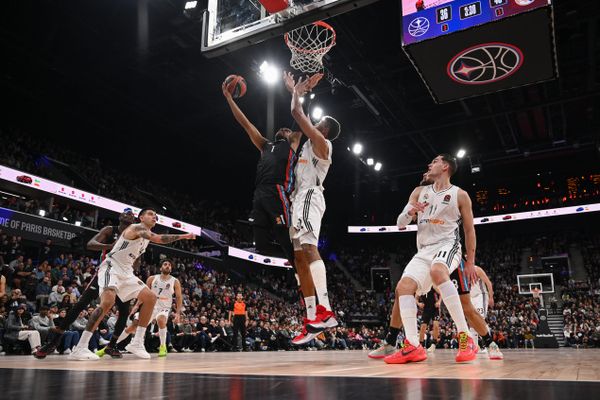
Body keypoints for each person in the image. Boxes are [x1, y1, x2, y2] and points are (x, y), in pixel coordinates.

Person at [384, 154, 478, 364]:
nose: (429, 164)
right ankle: (413, 345)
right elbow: (400, 223)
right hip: (424, 249)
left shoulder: (460, 195)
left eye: (434, 161)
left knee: (437, 271)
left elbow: (469, 230)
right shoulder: (419, 192)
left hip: (448, 244)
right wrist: (410, 210)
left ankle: (466, 336)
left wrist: (470, 262)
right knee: (403, 287)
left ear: (445, 166)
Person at [70, 207, 195, 360]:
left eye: (156, 215)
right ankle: (80, 347)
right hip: (112, 265)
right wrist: (184, 236)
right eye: (150, 214)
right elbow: (159, 239)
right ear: (141, 218)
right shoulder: (137, 228)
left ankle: (136, 343)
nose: (154, 217)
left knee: (150, 297)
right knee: (107, 302)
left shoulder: (145, 238)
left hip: (126, 271)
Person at [283, 72, 342, 345]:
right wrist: (297, 91)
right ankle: (311, 320)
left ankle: (326, 310)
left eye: (317, 122)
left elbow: (297, 113)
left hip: (309, 197)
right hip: (298, 201)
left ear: (324, 130)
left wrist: (297, 90)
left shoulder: (322, 144)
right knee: (298, 258)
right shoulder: (308, 146)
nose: (313, 122)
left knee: (309, 248)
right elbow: (299, 112)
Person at [34, 209, 136, 359]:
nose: (129, 215)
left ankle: (112, 345)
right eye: (126, 213)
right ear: (120, 217)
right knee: (80, 304)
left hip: (123, 276)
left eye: (132, 215)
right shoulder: (109, 230)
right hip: (105, 272)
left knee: (124, 311)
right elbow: (90, 244)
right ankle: (54, 341)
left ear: (134, 221)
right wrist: (111, 245)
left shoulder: (135, 236)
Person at [222, 78, 302, 267]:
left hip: (277, 191)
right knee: (261, 246)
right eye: (282, 128)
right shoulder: (265, 145)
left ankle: (299, 268)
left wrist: (295, 93)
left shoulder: (292, 144)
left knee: (284, 236)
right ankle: (292, 261)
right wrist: (229, 99)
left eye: (288, 129)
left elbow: (299, 116)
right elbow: (245, 123)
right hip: (259, 193)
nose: (285, 128)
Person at [115, 259, 182, 357]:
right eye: (165, 264)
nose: (167, 266)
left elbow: (179, 297)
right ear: (160, 268)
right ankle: (111, 345)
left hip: (164, 307)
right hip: (151, 306)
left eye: (169, 265)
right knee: (134, 325)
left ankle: (163, 346)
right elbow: (144, 294)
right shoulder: (152, 278)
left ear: (171, 269)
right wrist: (136, 306)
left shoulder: (175, 281)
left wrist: (178, 313)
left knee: (161, 319)